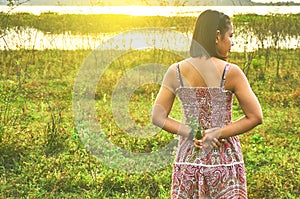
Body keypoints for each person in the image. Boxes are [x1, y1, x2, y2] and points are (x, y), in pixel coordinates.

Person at [151, 10, 263, 198]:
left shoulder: (175, 71)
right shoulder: (231, 72)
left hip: (189, 159)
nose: (232, 42)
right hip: (224, 160)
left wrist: (192, 132)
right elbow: (255, 116)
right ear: (217, 36)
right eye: (230, 36)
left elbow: (157, 116)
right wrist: (218, 132)